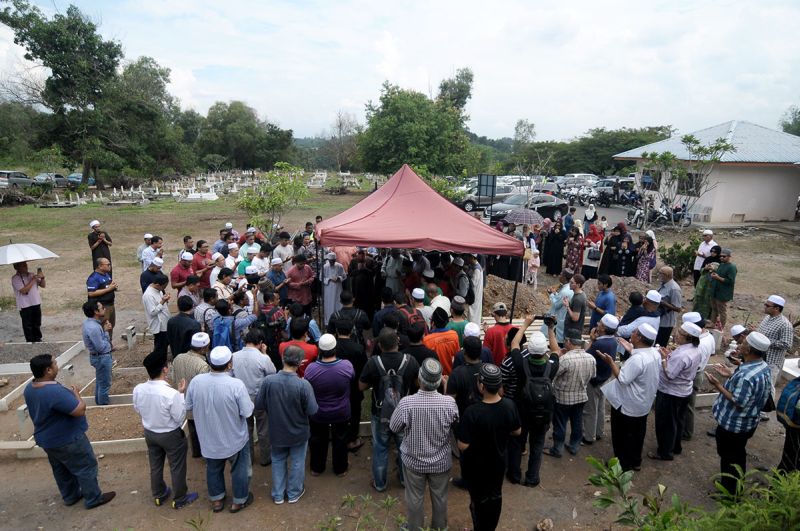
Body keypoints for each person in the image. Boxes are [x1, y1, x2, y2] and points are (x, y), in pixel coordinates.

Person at [24, 354, 116, 509]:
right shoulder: (53, 392)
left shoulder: (30, 388)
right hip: (67, 439)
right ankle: (93, 498)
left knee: (61, 469)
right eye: (54, 364)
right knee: (85, 466)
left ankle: (70, 496)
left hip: (47, 439)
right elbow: (79, 410)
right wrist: (77, 396)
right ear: (48, 370)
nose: (57, 365)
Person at [390, 358, 459, 531]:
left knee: (414, 498)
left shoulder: (406, 403)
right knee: (440, 498)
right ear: (438, 381)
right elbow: (455, 423)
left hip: (413, 461)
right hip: (440, 462)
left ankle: (414, 528)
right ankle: (439, 528)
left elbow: (394, 426)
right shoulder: (449, 403)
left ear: (420, 379)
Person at [185, 346, 254, 513]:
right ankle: (239, 500)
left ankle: (217, 500)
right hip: (234, 438)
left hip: (208, 438)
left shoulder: (197, 382)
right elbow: (247, 412)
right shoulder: (235, 385)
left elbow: (188, 405)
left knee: (213, 468)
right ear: (229, 365)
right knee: (239, 469)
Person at [705, 332, 772, 496]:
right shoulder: (762, 366)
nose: (740, 345)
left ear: (748, 349)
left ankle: (729, 492)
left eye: (743, 344)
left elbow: (739, 401)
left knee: (729, 458)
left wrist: (717, 385)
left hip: (734, 425)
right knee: (737, 455)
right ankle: (734, 483)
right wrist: (731, 375)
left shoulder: (746, 376)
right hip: (749, 422)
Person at [458, 363, 521, 531]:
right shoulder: (509, 405)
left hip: (477, 467)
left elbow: (463, 446)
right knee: (496, 495)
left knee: (478, 500)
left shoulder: (472, 412)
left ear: (481, 386)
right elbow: (517, 431)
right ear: (500, 385)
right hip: (499, 462)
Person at [133, 351, 198, 509]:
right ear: (165, 369)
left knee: (155, 464)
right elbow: (179, 417)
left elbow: (137, 409)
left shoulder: (138, 389)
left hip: (150, 432)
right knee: (177, 466)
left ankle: (159, 494)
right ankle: (180, 498)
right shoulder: (171, 394)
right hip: (170, 435)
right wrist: (181, 394)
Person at [359, 328, 420, 492]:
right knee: (404, 448)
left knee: (380, 448)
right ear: (398, 343)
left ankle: (380, 483)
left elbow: (361, 386)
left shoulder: (373, 362)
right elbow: (419, 384)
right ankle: (404, 480)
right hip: (404, 413)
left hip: (380, 414)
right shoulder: (410, 361)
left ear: (380, 345)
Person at [255, 345, 318, 504]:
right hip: (298, 432)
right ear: (301, 363)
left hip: (276, 430)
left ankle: (278, 494)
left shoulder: (268, 381)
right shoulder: (303, 385)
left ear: (283, 359)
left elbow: (259, 404)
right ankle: (294, 493)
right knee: (297, 461)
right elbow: (312, 410)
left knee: (277, 459)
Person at [501, 318, 558, 486]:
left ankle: (514, 475)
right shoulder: (551, 366)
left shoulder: (520, 363)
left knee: (517, 443)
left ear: (529, 349)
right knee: (537, 445)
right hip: (543, 415)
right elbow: (556, 349)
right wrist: (550, 328)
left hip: (522, 412)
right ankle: (532, 478)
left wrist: (525, 324)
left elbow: (515, 343)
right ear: (544, 350)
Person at [598, 323, 661, 471]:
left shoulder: (637, 359)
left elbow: (623, 378)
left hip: (629, 404)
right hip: (643, 403)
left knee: (622, 435)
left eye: (635, 332)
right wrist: (631, 350)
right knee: (638, 434)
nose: (631, 333)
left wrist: (610, 362)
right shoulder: (654, 353)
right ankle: (635, 461)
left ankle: (622, 465)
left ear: (639, 337)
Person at [649, 322, 703, 461]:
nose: (676, 335)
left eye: (679, 333)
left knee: (665, 423)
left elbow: (670, 374)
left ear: (688, 337)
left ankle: (665, 452)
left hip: (670, 392)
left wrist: (663, 359)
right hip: (684, 391)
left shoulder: (683, 354)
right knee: (678, 420)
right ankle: (675, 446)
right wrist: (669, 357)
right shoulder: (694, 350)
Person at [304, 334, 354, 477]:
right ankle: (340, 468)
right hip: (341, 411)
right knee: (341, 439)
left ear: (320, 350)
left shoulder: (311, 369)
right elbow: (352, 379)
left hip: (318, 412)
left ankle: (317, 467)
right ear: (335, 349)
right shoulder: (346, 366)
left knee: (317, 439)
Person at [546, 329, 596, 458]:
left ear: (568, 341)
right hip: (581, 396)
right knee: (577, 422)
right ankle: (574, 446)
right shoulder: (590, 358)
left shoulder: (566, 359)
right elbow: (593, 375)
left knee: (560, 423)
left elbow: (553, 374)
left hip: (563, 398)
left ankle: (557, 448)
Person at [231, 329, 277, 467]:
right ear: (261, 343)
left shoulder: (234, 356)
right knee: (263, 428)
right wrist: (264, 353)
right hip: (259, 397)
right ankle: (265, 457)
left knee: (246, 428)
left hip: (241, 397)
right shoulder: (263, 358)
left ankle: (249, 458)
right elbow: (272, 373)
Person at [170, 332, 210, 458]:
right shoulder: (202, 365)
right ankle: (206, 452)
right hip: (198, 404)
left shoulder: (178, 358)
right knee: (203, 429)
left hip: (183, 399)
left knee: (192, 426)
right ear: (203, 348)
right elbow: (204, 387)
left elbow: (173, 377)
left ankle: (196, 452)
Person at [330, 319, 368, 452]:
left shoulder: (332, 349)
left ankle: (339, 437)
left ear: (336, 331)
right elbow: (364, 368)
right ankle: (352, 439)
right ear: (352, 331)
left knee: (337, 412)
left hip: (335, 386)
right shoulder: (358, 348)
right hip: (354, 386)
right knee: (355, 412)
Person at [681, 313, 718, 441]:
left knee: (688, 405)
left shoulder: (699, 343)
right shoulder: (709, 336)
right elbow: (712, 353)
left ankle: (686, 432)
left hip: (693, 374)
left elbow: (693, 365)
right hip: (699, 372)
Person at [583, 314, 619, 445]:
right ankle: (599, 431)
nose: (597, 323)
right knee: (600, 407)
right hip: (605, 378)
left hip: (595, 380)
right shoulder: (613, 340)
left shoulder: (599, 343)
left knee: (590, 409)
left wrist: (592, 340)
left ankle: (588, 436)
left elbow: (585, 357)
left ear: (603, 328)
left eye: (600, 323)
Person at [756, 295, 794, 398]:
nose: (765, 306)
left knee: (768, 387)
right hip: (759, 358)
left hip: (771, 361)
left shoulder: (785, 324)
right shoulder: (767, 318)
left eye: (767, 305)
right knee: (758, 385)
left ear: (776, 308)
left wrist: (766, 341)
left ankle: (766, 411)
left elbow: (787, 344)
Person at [81, 300, 114, 406]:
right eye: (102, 308)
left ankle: (99, 403)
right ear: (96, 311)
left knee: (100, 382)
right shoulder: (94, 328)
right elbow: (101, 347)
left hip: (99, 357)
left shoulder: (90, 323)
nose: (104, 308)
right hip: (102, 358)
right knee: (104, 384)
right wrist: (106, 332)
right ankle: (103, 406)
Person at [11, 261, 45, 342]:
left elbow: (43, 285)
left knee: (37, 323)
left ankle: (38, 339)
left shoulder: (31, 274)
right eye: (23, 265)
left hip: (36, 302)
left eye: (25, 264)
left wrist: (43, 278)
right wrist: (33, 280)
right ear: (16, 267)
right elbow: (23, 290)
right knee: (28, 325)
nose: (26, 266)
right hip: (25, 305)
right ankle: (30, 341)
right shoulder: (15, 278)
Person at [423, 307, 460, 376]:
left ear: (433, 323)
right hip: (450, 376)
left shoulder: (426, 340)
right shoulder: (454, 335)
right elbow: (457, 356)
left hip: (435, 377)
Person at [87, 257, 117, 339]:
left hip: (110, 304)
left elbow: (107, 286)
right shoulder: (93, 278)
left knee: (110, 325)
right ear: (100, 266)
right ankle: (103, 346)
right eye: (107, 264)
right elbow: (91, 293)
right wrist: (108, 289)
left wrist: (113, 287)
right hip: (102, 307)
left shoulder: (106, 274)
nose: (109, 266)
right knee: (104, 326)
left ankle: (109, 344)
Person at [143, 273, 172, 357]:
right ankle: (159, 364)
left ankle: (163, 361)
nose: (164, 289)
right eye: (163, 287)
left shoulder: (158, 290)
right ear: (157, 284)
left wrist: (164, 300)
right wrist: (162, 302)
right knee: (160, 347)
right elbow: (152, 312)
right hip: (159, 326)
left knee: (164, 345)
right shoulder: (148, 295)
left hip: (165, 323)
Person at [544, 269, 574, 346]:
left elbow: (556, 304)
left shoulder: (565, 291)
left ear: (564, 277)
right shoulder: (567, 288)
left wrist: (551, 294)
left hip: (559, 317)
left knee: (557, 339)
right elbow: (560, 299)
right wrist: (556, 294)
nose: (559, 276)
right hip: (563, 317)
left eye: (560, 274)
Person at [656, 266, 683, 348]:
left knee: (660, 346)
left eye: (660, 273)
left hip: (666, 323)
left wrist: (663, 303)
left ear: (666, 275)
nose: (658, 275)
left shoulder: (674, 289)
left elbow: (678, 308)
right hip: (659, 320)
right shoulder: (663, 284)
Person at [709, 248, 737, 328]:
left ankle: (721, 327)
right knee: (714, 309)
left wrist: (718, 278)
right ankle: (712, 323)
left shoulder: (732, 267)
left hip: (723, 293)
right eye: (720, 256)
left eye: (724, 256)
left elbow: (730, 281)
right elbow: (718, 275)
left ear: (729, 257)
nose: (721, 258)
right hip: (715, 291)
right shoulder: (721, 264)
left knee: (722, 311)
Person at [692, 245, 722, 320]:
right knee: (699, 296)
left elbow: (721, 273)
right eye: (711, 251)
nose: (712, 253)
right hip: (704, 282)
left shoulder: (720, 261)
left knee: (709, 300)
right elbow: (701, 270)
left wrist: (714, 269)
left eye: (714, 252)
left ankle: (708, 317)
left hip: (712, 283)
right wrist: (705, 268)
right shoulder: (708, 259)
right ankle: (697, 314)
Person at [322, 252, 347, 326]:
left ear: (335, 260)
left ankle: (339, 319)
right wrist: (329, 279)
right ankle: (328, 321)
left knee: (338, 303)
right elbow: (321, 277)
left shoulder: (339, 266)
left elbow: (344, 276)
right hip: (328, 289)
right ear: (328, 260)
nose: (331, 262)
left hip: (338, 288)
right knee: (329, 304)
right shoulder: (325, 267)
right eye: (330, 261)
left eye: (333, 261)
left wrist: (338, 278)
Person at [563, 273, 587, 341]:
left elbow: (575, 318)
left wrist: (567, 306)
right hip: (572, 330)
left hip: (573, 332)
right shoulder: (578, 294)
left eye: (572, 283)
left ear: (578, 285)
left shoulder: (578, 299)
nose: (569, 284)